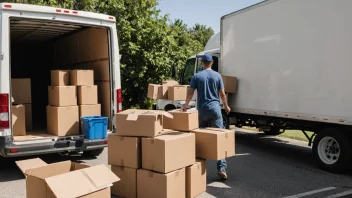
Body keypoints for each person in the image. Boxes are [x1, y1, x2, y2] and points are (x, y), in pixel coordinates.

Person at [181, 53, 231, 180]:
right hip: (215, 110)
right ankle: (222, 168)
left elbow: (190, 92)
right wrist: (226, 106)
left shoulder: (197, 76)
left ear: (202, 63)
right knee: (219, 139)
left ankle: (198, 168)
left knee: (200, 139)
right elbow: (222, 94)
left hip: (202, 110)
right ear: (212, 63)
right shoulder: (217, 76)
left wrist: (185, 106)